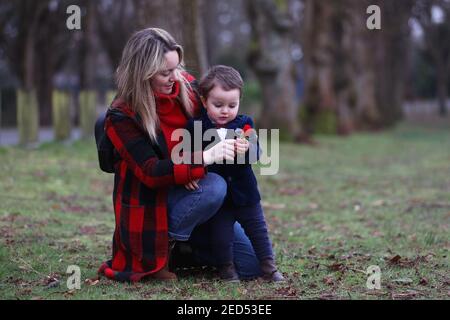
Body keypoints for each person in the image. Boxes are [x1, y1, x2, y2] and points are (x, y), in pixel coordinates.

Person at [97, 28, 262, 282]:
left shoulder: (188, 88)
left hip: (199, 198)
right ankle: (166, 246)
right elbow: (151, 171)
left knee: (251, 267)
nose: (177, 77)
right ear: (143, 72)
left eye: (177, 67)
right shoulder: (122, 116)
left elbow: (227, 122)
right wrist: (204, 158)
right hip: (154, 206)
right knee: (215, 186)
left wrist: (248, 143)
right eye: (166, 72)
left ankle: (188, 249)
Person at [185, 65, 284, 282]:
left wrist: (248, 148)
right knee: (222, 236)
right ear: (204, 101)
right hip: (219, 200)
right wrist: (191, 171)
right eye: (218, 105)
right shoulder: (196, 127)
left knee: (258, 230)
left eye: (232, 105)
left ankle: (269, 266)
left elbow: (257, 152)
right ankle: (227, 270)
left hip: (245, 192)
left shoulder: (244, 124)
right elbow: (188, 156)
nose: (225, 111)